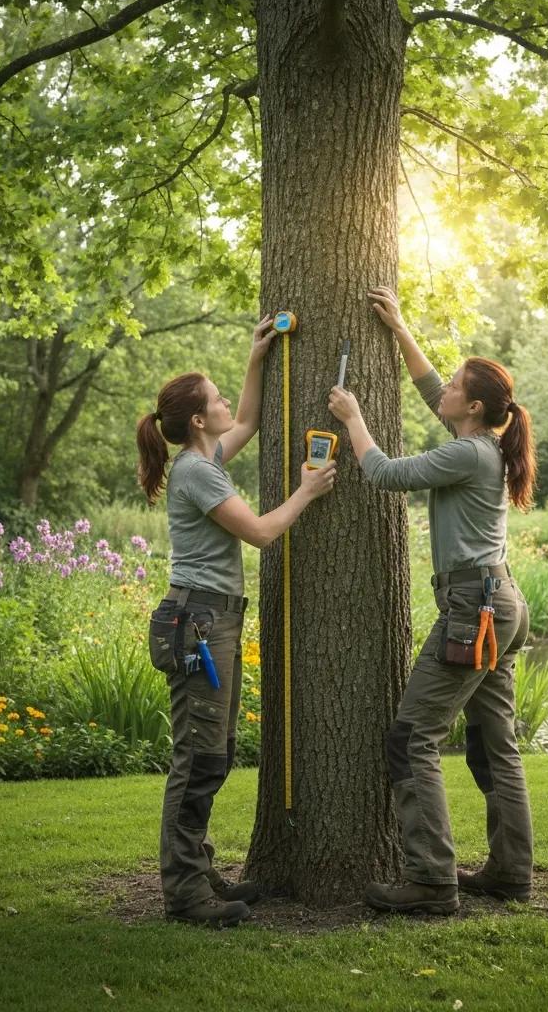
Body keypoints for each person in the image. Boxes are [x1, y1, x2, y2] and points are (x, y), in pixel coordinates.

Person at [328, 286, 537, 915]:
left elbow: (386, 474)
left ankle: (430, 879)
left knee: (411, 735)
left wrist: (352, 418)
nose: (440, 388)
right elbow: (429, 391)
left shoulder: (468, 453)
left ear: (472, 406)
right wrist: (397, 329)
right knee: (493, 743)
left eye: (453, 385)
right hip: (500, 603)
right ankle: (510, 874)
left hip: (474, 608)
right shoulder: (482, 444)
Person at [137, 315, 336, 927]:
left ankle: (196, 869)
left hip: (210, 618)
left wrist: (257, 359)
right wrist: (306, 491)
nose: (227, 402)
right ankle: (184, 893)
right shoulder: (197, 471)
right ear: (197, 420)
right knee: (197, 759)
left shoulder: (207, 457)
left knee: (215, 753)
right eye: (216, 397)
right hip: (198, 621)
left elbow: (247, 421)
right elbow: (260, 534)